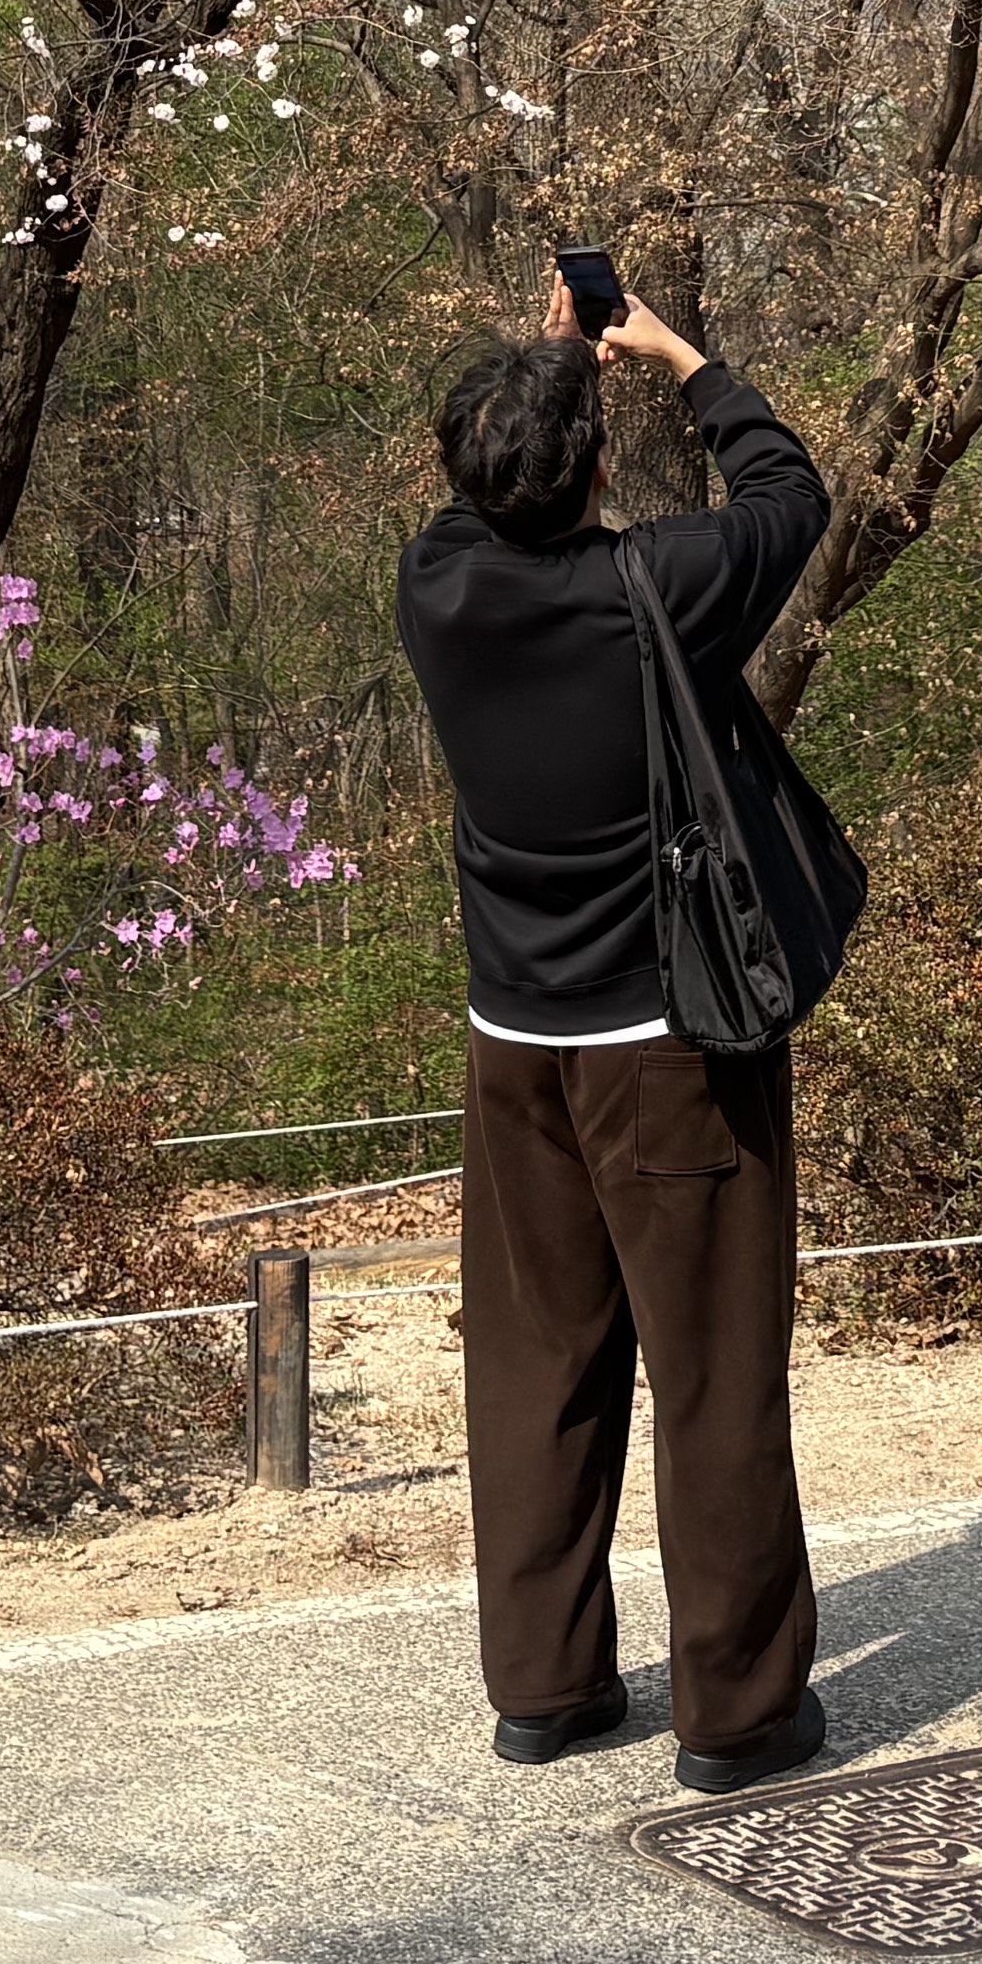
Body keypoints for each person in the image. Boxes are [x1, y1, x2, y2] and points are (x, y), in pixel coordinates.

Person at [398, 268, 837, 1795]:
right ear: (595, 470)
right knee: (711, 1373)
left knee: (536, 1369)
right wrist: (677, 357)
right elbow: (788, 489)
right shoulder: (654, 589)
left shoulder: (434, 587)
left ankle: (546, 1690)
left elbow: (484, 489)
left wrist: (539, 366)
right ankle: (740, 1714)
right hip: (668, 1054)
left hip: (510, 1042)